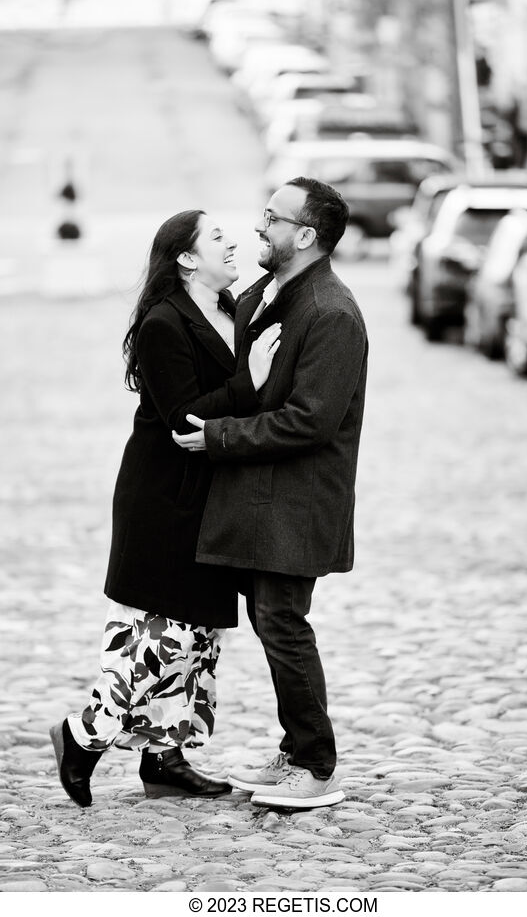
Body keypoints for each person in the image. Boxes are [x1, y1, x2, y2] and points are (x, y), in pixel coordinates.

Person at [50, 210, 282, 807]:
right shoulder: (163, 322)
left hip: (210, 496)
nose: (231, 244)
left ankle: (164, 760)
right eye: (217, 238)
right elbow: (185, 419)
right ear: (185, 258)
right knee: (160, 637)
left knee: (198, 634)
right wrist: (249, 381)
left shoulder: (231, 309)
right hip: (163, 498)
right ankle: (81, 736)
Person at [172, 178, 368, 809]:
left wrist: (221, 436)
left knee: (283, 623)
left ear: (306, 236)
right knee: (269, 619)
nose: (259, 227)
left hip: (301, 500)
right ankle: (294, 750)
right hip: (262, 498)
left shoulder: (332, 313)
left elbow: (311, 420)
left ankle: (316, 765)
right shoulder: (266, 292)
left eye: (272, 219)